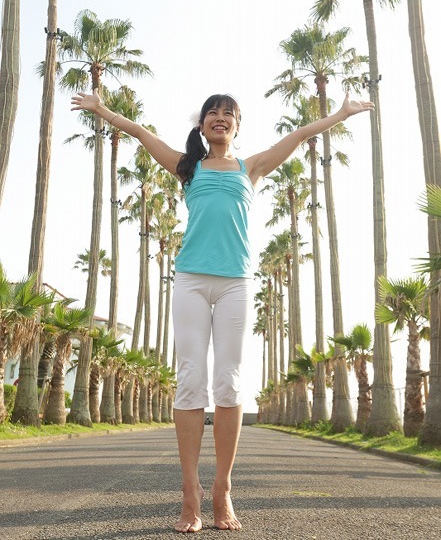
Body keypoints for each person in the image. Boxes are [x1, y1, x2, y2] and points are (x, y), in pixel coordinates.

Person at [71, 89, 374, 532]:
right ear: (202, 125)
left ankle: (223, 489)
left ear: (237, 126)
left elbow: (300, 133)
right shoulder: (187, 168)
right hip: (191, 281)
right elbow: (138, 131)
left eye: (228, 113)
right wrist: (102, 110)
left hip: (236, 283)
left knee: (229, 382)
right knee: (191, 378)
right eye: (213, 112)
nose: (219, 118)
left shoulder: (250, 168)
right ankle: (189, 491)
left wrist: (341, 113)